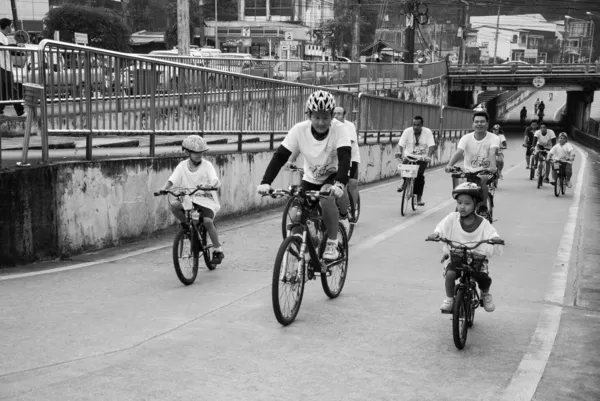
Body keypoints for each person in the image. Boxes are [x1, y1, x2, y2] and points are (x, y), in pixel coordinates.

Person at [257, 90, 351, 261]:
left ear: (332, 116)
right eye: (316, 117)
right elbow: (280, 156)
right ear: (308, 114)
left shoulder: (340, 129)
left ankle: (332, 242)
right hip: (310, 177)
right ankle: (308, 250)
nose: (321, 123)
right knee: (295, 214)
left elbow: (345, 157)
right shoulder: (299, 130)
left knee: (326, 197)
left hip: (333, 174)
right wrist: (266, 182)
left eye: (325, 118)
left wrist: (340, 184)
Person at [427, 183, 503, 313]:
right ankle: (450, 300)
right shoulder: (452, 218)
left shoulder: (483, 223)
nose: (462, 206)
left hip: (476, 257)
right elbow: (440, 227)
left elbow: (492, 233)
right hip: (457, 256)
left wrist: (495, 238)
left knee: (483, 277)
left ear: (475, 205)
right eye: (459, 202)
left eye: (467, 203)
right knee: (450, 275)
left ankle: (485, 294)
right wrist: (436, 234)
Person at [158, 135, 225, 265]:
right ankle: (189, 229)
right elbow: (172, 179)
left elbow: (215, 179)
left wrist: (212, 185)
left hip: (206, 199)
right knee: (175, 206)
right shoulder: (182, 165)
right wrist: (164, 188)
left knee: (207, 221)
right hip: (189, 197)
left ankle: (218, 250)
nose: (199, 155)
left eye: (201, 152)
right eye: (195, 152)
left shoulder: (207, 165)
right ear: (188, 152)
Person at [445, 110, 498, 218]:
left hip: (485, 170)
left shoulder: (494, 138)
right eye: (477, 122)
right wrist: (449, 165)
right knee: (460, 186)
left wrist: (493, 167)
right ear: (473, 124)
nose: (479, 124)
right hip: (468, 171)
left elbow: (492, 152)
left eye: (482, 122)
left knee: (483, 179)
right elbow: (459, 152)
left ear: (487, 124)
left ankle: (483, 207)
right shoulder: (466, 138)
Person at [394, 115, 436, 205]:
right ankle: (404, 182)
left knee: (419, 175)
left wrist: (428, 156)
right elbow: (401, 144)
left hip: (422, 158)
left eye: (418, 125)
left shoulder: (427, 132)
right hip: (409, 155)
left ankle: (418, 198)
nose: (416, 127)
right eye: (414, 125)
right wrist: (400, 152)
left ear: (422, 125)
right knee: (403, 168)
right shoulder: (407, 131)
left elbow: (432, 145)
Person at [333, 106, 360, 215]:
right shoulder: (331, 125)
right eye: (334, 113)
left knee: (352, 183)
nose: (336, 116)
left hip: (351, 157)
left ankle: (352, 210)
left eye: (339, 113)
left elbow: (349, 142)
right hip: (335, 158)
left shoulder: (349, 126)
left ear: (344, 115)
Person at [0, 18, 25, 117]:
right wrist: (13, 46)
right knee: (12, 89)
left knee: (4, 92)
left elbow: (8, 50)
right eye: (10, 26)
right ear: (7, 27)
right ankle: (20, 112)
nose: (11, 28)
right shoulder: (0, 35)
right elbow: (1, 46)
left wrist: (18, 48)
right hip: (3, 67)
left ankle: (0, 111)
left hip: (6, 67)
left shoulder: (5, 37)